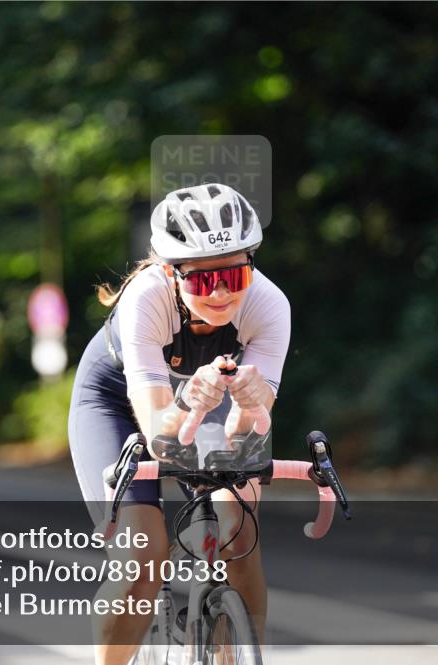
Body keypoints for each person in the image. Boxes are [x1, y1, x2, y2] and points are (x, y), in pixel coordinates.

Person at [69, 183, 290, 665]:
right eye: (202, 281)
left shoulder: (269, 305)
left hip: (204, 402)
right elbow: (157, 432)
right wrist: (186, 397)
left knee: (240, 534)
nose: (222, 293)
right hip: (117, 405)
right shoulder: (144, 301)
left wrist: (252, 408)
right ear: (171, 273)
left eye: (235, 274)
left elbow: (248, 435)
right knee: (141, 562)